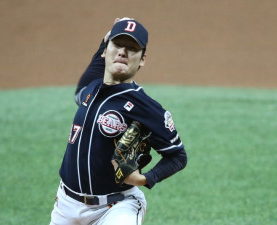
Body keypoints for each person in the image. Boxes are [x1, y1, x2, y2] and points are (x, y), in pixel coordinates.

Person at [50, 17, 187, 225]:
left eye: (132, 48)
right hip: (66, 206)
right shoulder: (91, 89)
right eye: (117, 45)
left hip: (117, 207)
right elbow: (83, 87)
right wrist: (103, 42)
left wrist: (145, 179)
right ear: (106, 50)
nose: (123, 51)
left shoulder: (144, 105)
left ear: (142, 59)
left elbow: (178, 156)